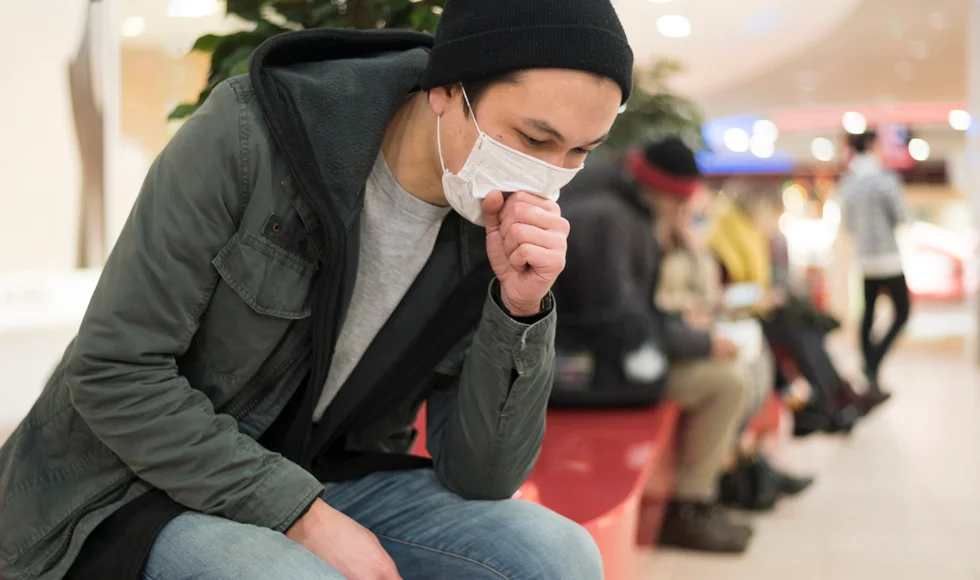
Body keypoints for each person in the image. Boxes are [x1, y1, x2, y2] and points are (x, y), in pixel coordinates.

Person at [0, 2, 634, 579]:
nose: (547, 174)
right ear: (446, 88)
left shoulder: (489, 230)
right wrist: (301, 516)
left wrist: (519, 309)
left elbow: (481, 477)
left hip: (325, 474)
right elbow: (114, 372)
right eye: (532, 139)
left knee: (557, 555)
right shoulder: (251, 135)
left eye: (579, 151)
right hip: (137, 485)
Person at [554, 137, 756, 554]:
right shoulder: (609, 220)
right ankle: (687, 509)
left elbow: (629, 315)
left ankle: (720, 485)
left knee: (732, 368)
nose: (684, 212)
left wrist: (688, 334)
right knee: (726, 383)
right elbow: (617, 323)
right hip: (586, 372)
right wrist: (699, 344)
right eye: (681, 202)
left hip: (594, 359)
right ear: (664, 192)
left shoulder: (615, 209)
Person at [657, 190, 813, 512]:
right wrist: (697, 315)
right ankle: (730, 474)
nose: (697, 219)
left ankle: (748, 464)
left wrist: (698, 252)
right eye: (692, 212)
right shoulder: (663, 248)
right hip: (678, 345)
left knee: (759, 354)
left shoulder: (694, 247)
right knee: (738, 374)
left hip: (698, 331)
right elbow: (668, 304)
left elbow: (708, 295)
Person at [707, 179, 864, 436]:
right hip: (744, 316)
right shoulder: (728, 234)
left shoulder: (746, 232)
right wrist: (761, 296)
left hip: (756, 310)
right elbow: (722, 292)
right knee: (801, 333)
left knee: (806, 331)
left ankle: (833, 397)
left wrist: (765, 296)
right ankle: (832, 400)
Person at [839, 129, 910, 403]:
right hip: (888, 256)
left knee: (867, 314)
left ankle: (870, 369)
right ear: (871, 144)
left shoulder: (849, 182)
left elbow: (848, 223)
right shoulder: (885, 180)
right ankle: (873, 363)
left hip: (865, 257)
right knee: (902, 311)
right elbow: (900, 216)